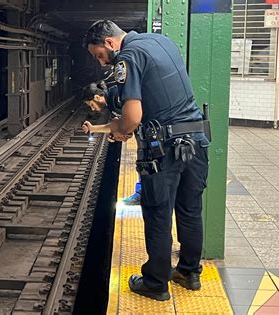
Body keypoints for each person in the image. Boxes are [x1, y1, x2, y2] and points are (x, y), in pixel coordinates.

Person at [83, 20, 210, 301]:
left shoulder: (127, 57)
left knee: (158, 213)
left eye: (99, 55)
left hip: (164, 148)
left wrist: (121, 130)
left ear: (109, 43)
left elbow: (133, 117)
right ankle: (189, 273)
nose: (102, 62)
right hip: (196, 139)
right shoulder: (161, 41)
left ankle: (155, 283)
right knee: (190, 210)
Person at [81, 81, 142, 206]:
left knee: (146, 162)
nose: (92, 108)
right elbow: (116, 125)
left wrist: (122, 132)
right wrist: (93, 129)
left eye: (91, 104)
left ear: (97, 97)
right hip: (143, 130)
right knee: (143, 161)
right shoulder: (112, 101)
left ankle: (143, 194)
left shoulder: (116, 96)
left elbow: (129, 120)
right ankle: (142, 193)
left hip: (148, 127)